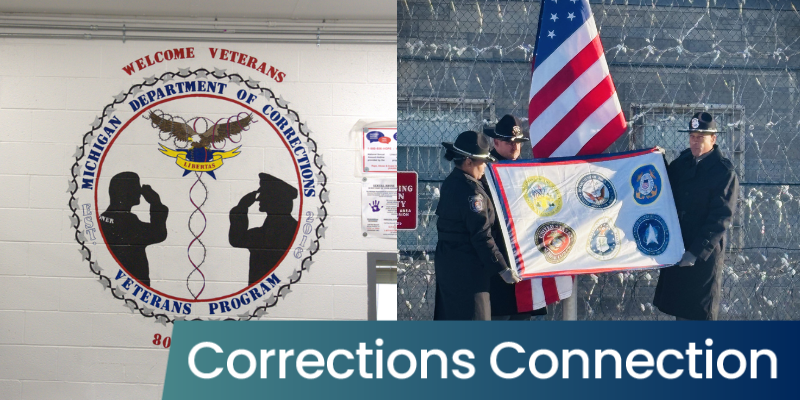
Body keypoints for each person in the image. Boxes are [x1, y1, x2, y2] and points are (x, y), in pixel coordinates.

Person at [653, 112, 740, 320]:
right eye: (692, 136)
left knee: (697, 315)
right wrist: (657, 162)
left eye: (701, 137)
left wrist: (695, 252)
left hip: (701, 255)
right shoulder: (683, 163)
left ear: (713, 139)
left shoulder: (723, 172)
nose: (695, 141)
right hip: (678, 246)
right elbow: (667, 186)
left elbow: (721, 217)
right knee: (679, 313)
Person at [434, 130, 520, 320]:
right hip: (468, 271)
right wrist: (502, 267)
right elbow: (481, 235)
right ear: (468, 162)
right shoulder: (472, 192)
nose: (484, 167)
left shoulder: (452, 182)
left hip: (450, 264)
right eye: (482, 162)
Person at [483, 115, 547, 320]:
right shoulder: (484, 170)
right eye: (510, 143)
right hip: (497, 254)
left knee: (522, 316)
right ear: (496, 142)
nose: (515, 147)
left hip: (523, 253)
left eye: (518, 143)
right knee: (498, 315)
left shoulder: (525, 169)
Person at [99, 172, 169, 287]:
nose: (139, 192)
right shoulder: (127, 221)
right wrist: (156, 203)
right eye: (136, 187)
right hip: (130, 287)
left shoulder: (105, 217)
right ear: (125, 192)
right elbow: (158, 234)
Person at [229, 173, 299, 285]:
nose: (258, 199)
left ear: (276, 199)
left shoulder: (266, 234)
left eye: (264, 194)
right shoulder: (294, 230)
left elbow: (237, 239)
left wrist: (242, 207)